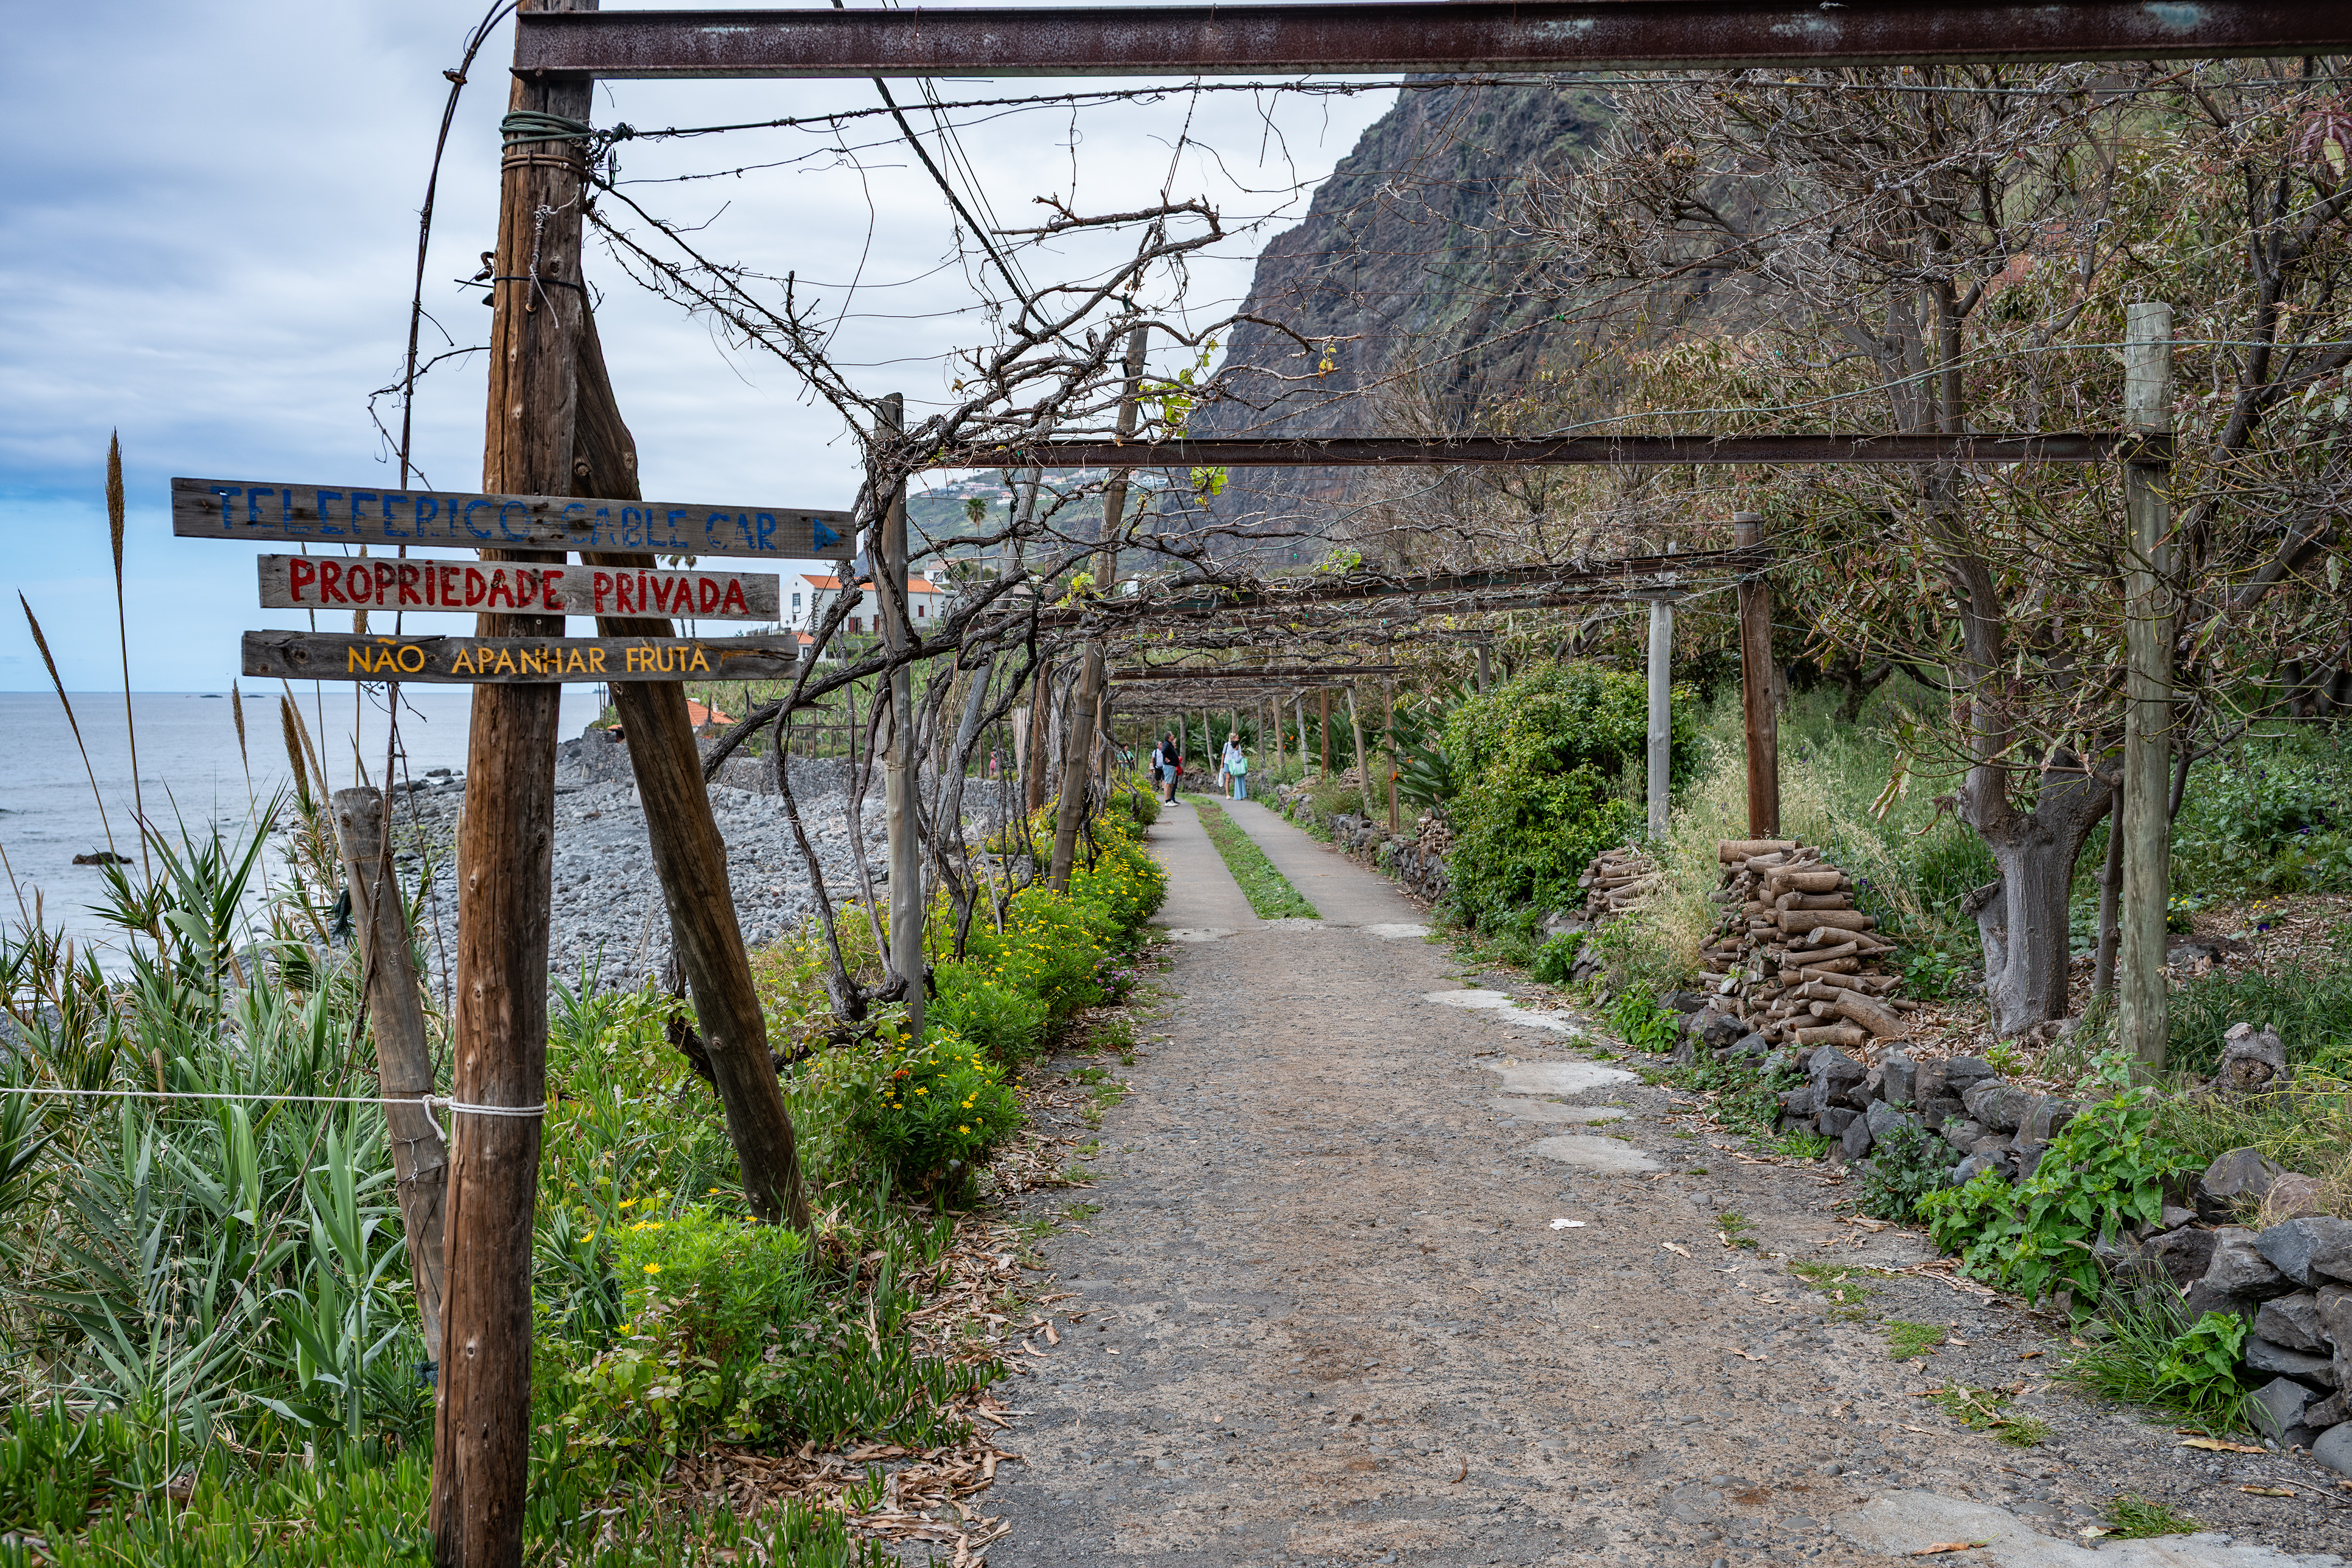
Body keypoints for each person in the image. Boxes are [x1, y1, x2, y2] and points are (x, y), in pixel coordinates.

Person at [1224, 733, 1249, 800]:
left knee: (1235, 779)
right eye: (1237, 738)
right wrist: (1222, 764)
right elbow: (1224, 754)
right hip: (1227, 763)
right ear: (1233, 739)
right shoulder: (1227, 745)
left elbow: (1240, 754)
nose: (1238, 739)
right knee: (1228, 779)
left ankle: (1237, 794)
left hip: (1235, 764)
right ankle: (1228, 794)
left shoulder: (1238, 746)